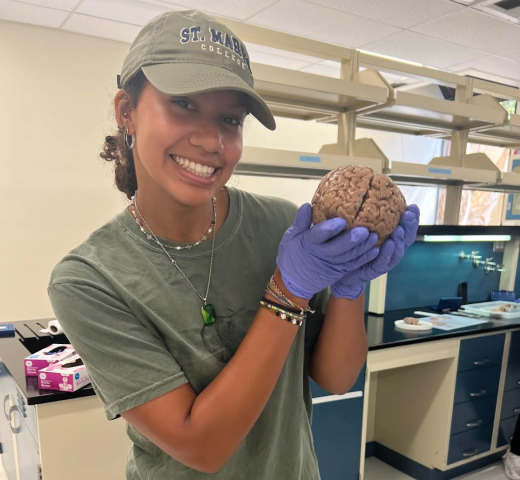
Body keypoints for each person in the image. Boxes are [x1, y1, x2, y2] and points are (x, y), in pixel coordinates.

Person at [47, 9, 420, 480]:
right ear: (127, 111)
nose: (211, 140)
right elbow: (200, 447)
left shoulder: (283, 227)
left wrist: (350, 287)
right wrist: (287, 291)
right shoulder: (90, 279)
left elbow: (336, 377)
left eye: (230, 118)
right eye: (183, 103)